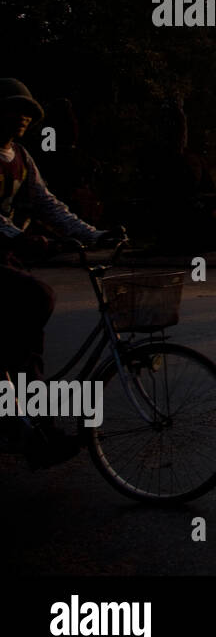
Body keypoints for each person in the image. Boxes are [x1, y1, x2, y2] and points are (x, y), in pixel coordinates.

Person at [0, 78, 114, 467]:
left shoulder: (20, 157)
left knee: (28, 346)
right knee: (36, 297)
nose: (23, 119)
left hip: (4, 258)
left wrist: (94, 234)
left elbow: (47, 205)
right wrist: (18, 236)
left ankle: (34, 421)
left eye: (28, 113)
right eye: (15, 110)